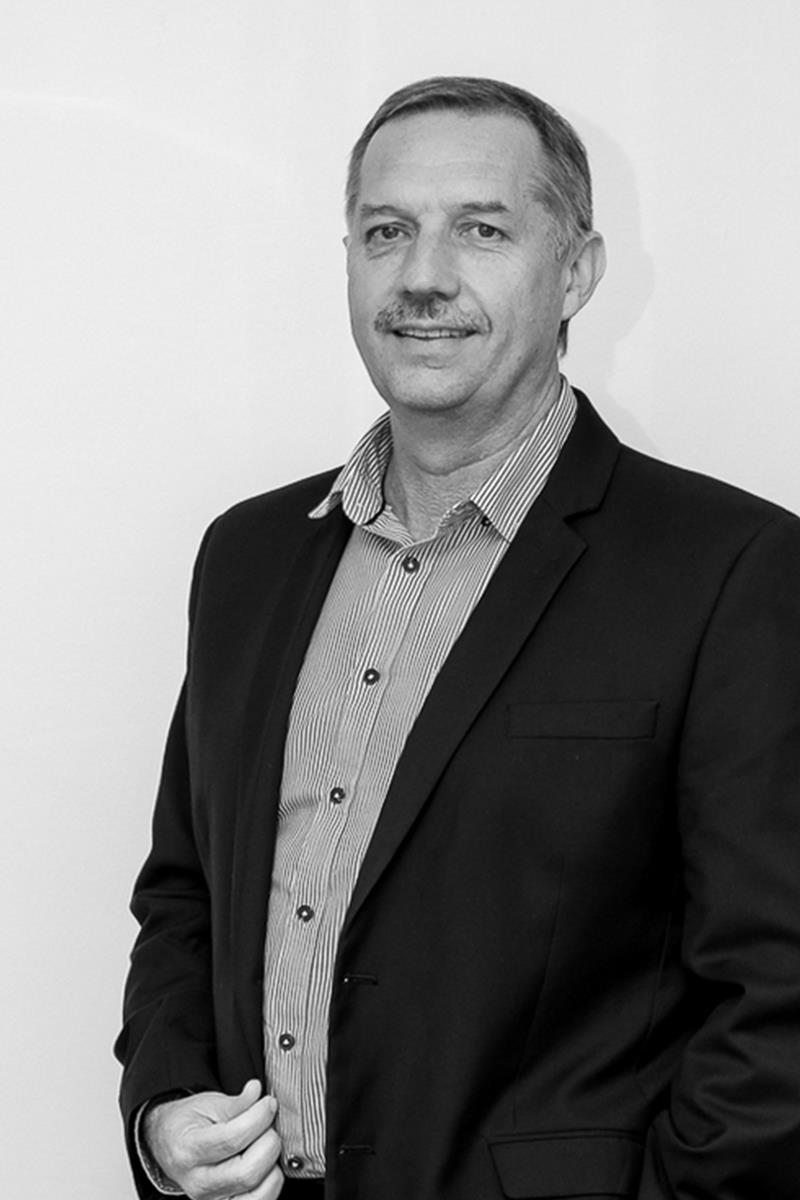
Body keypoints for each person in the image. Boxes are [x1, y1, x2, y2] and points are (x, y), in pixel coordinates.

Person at [115, 76, 800, 1200]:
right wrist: (163, 1107)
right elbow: (184, 895)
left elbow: (778, 995)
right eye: (386, 231)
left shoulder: (729, 570)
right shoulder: (247, 558)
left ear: (575, 272)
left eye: (481, 230)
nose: (422, 277)